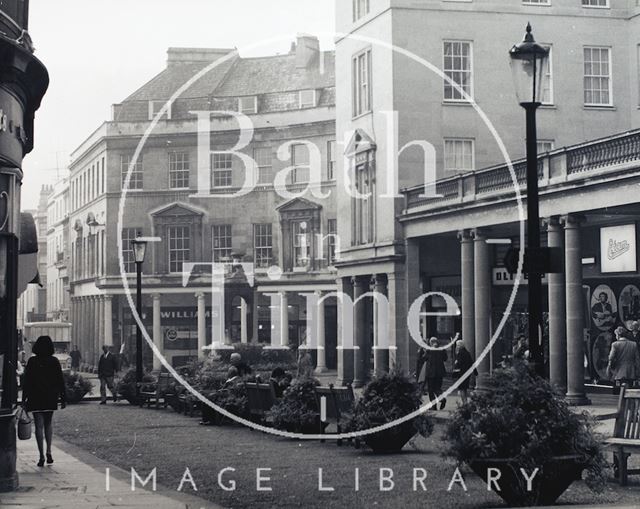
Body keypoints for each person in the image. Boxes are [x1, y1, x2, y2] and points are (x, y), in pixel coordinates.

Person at [22, 336, 66, 467]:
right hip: (50, 397)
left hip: (35, 397)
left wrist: (24, 399)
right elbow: (60, 380)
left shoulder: (32, 361)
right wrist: (63, 397)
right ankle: (49, 451)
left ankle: (41, 455)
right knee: (48, 424)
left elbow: (27, 382)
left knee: (39, 426)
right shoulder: (54, 361)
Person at [607, 326, 640, 392]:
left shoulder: (615, 344)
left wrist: (610, 368)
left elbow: (611, 358)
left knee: (619, 393)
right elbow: (637, 360)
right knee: (630, 392)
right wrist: (637, 371)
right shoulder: (634, 344)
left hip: (619, 371)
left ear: (618, 335)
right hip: (631, 372)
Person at [420, 337, 448, 410]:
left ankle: (434, 406)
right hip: (440, 373)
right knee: (438, 388)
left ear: (431, 343)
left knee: (431, 390)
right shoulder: (442, 349)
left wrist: (424, 351)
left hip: (431, 373)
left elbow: (424, 358)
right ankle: (442, 399)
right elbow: (445, 358)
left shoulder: (429, 350)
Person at [453, 339, 476, 405]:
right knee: (464, 388)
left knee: (461, 389)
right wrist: (475, 371)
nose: (457, 346)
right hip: (467, 373)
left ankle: (464, 403)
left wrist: (456, 362)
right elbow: (471, 362)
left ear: (460, 346)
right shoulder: (467, 353)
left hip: (461, 373)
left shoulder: (460, 353)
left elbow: (459, 363)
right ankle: (465, 402)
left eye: (457, 345)